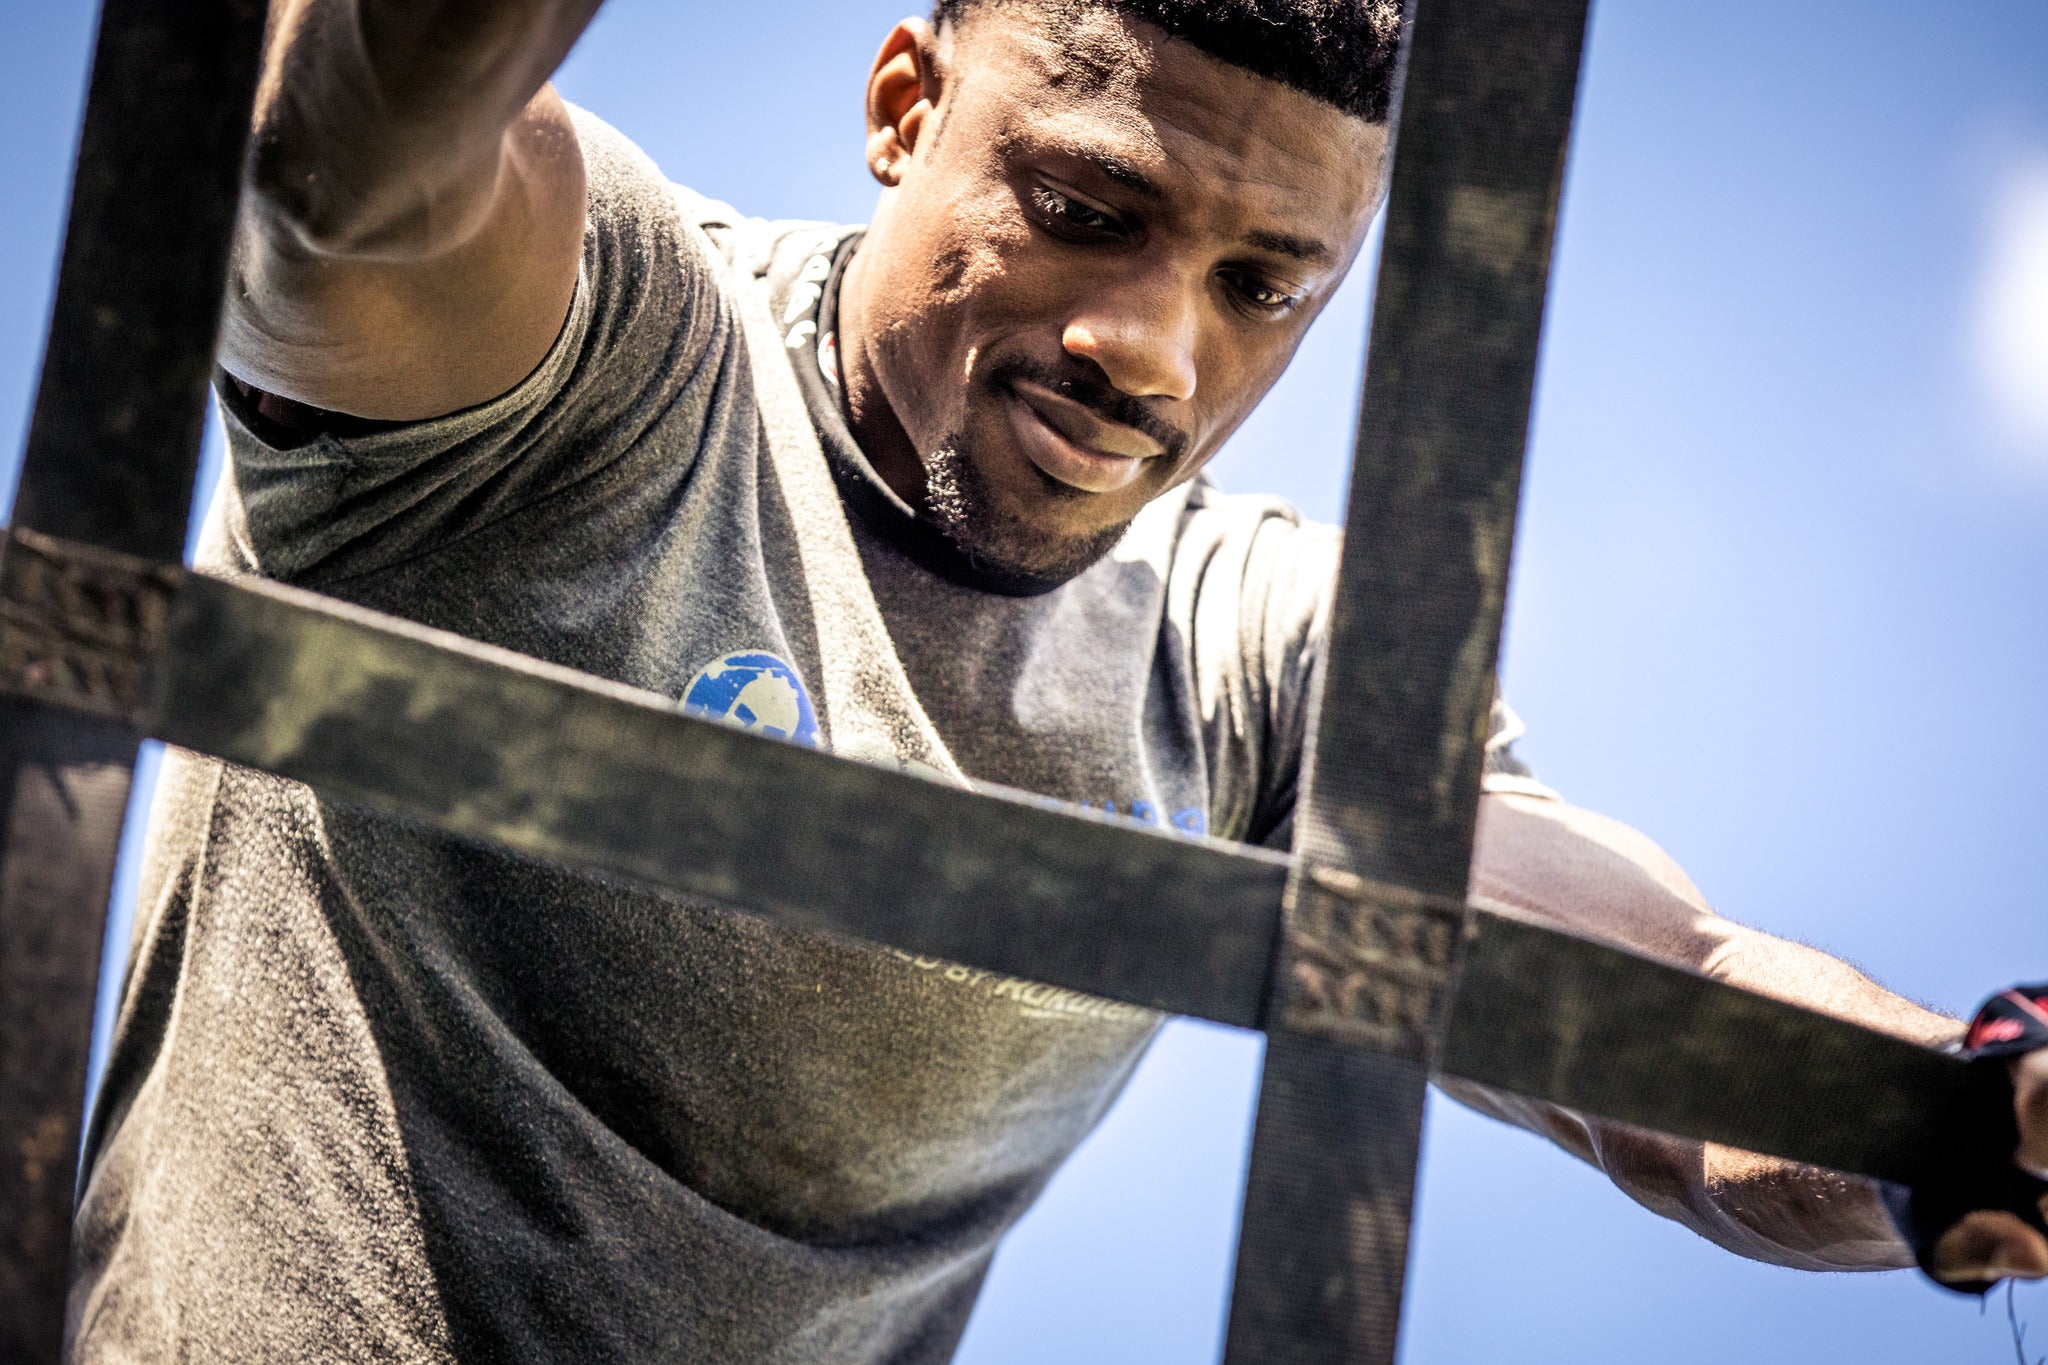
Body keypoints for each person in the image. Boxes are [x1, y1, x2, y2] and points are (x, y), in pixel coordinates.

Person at [70, 0, 2046, 1359]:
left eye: (1261, 287)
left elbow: (1663, 1020)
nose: (1152, 352)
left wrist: (1956, 1119)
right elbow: (339, 178)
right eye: (1087, 211)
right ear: (906, 105)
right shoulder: (613, 372)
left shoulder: (1253, 644)